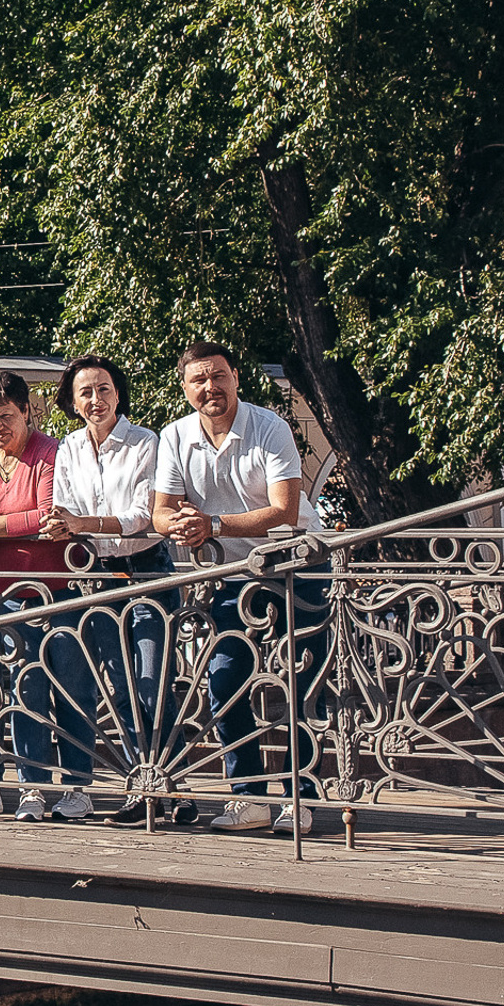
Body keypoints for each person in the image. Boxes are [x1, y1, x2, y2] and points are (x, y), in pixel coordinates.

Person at [150, 342, 324, 835]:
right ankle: (249, 798)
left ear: (236, 378)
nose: (211, 387)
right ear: (185, 389)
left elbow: (284, 510)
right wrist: (179, 526)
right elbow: (161, 511)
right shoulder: (175, 436)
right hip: (232, 576)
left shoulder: (270, 427)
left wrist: (212, 524)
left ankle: (299, 799)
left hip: (298, 567)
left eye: (218, 376)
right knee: (225, 684)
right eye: (199, 380)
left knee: (302, 688)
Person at [38, 354, 178, 823]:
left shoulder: (145, 441)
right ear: (73, 402)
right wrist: (65, 525)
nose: (95, 399)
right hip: (98, 573)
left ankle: (169, 784)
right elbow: (64, 506)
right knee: (122, 688)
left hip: (146, 570)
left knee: (152, 681)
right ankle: (144, 787)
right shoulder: (69, 447)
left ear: (118, 394)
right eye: (85, 392)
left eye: (104, 389)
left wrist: (85, 523)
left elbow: (142, 515)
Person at [0, 371, 94, 821]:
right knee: (23, 691)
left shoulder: (50, 452)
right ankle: (33, 786)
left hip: (60, 592)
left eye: (6, 415)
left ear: (27, 411)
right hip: (7, 595)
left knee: (71, 691)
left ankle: (78, 787)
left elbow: (49, 513)